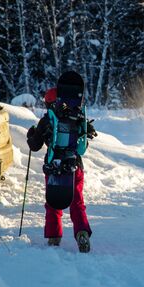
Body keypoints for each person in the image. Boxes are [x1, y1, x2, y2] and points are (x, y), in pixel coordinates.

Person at [26, 85, 97, 251]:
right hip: (75, 166)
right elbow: (85, 140)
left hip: (54, 166)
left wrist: (31, 135)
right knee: (77, 202)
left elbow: (34, 146)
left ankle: (53, 238)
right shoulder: (77, 116)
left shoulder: (47, 120)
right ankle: (82, 234)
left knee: (53, 203)